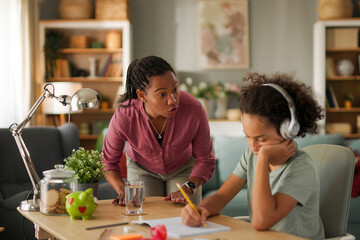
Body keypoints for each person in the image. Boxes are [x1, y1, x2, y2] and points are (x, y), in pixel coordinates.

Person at [180, 72, 325, 240]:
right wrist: (200, 209)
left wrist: (263, 158)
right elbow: (221, 196)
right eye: (247, 136)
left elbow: (262, 220)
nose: (253, 146)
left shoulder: (301, 167)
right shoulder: (251, 154)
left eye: (261, 139)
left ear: (288, 130)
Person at [102, 55, 215, 205]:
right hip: (141, 169)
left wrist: (190, 186)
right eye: (162, 94)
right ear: (142, 95)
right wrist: (124, 191)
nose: (173, 100)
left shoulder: (194, 109)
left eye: (175, 89)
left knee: (186, 217)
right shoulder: (124, 116)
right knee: (147, 217)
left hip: (183, 168)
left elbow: (205, 159)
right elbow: (108, 162)